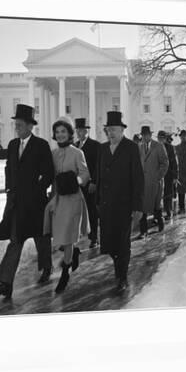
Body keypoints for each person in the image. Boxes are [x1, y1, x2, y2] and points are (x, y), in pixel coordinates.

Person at [0, 104, 54, 300]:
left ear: (29, 126)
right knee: (15, 242)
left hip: (35, 204)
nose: (16, 128)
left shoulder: (41, 145)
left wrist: (37, 190)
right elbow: (9, 169)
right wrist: (9, 188)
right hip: (17, 204)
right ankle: (5, 283)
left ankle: (46, 268)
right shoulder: (13, 145)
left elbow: (48, 173)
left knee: (41, 240)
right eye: (15, 124)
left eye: (19, 125)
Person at [96, 111, 143, 293]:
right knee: (109, 243)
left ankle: (122, 276)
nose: (111, 133)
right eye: (108, 130)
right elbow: (99, 176)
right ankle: (118, 267)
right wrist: (98, 201)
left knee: (123, 243)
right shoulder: (102, 149)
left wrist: (137, 206)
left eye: (114, 130)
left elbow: (138, 178)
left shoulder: (130, 147)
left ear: (122, 130)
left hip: (125, 205)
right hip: (106, 205)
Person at [43, 117, 90, 293]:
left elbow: (85, 175)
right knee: (61, 237)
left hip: (73, 199)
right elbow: (49, 176)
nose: (60, 135)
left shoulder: (77, 153)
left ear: (69, 134)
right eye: (57, 132)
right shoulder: (53, 154)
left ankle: (65, 273)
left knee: (68, 237)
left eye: (63, 131)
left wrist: (74, 181)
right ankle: (74, 254)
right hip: (57, 199)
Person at [135, 126, 169, 237]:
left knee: (156, 206)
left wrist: (158, 177)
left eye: (146, 135)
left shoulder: (158, 146)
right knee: (142, 207)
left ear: (150, 135)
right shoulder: (139, 147)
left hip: (155, 183)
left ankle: (160, 223)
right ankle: (143, 231)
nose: (145, 137)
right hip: (143, 183)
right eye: (143, 135)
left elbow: (165, 163)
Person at [74, 117, 100, 248]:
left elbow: (97, 166)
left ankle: (94, 236)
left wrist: (94, 182)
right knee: (77, 211)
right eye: (78, 130)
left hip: (90, 185)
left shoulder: (95, 145)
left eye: (82, 130)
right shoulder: (75, 146)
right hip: (78, 185)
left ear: (87, 131)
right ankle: (77, 236)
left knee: (92, 211)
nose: (79, 133)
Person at [158, 130, 178, 220]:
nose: (161, 140)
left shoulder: (170, 148)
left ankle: (168, 211)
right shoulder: (155, 147)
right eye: (159, 138)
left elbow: (174, 163)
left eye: (162, 138)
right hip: (158, 175)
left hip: (168, 174)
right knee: (157, 195)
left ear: (165, 139)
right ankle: (157, 214)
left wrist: (175, 176)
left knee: (168, 194)